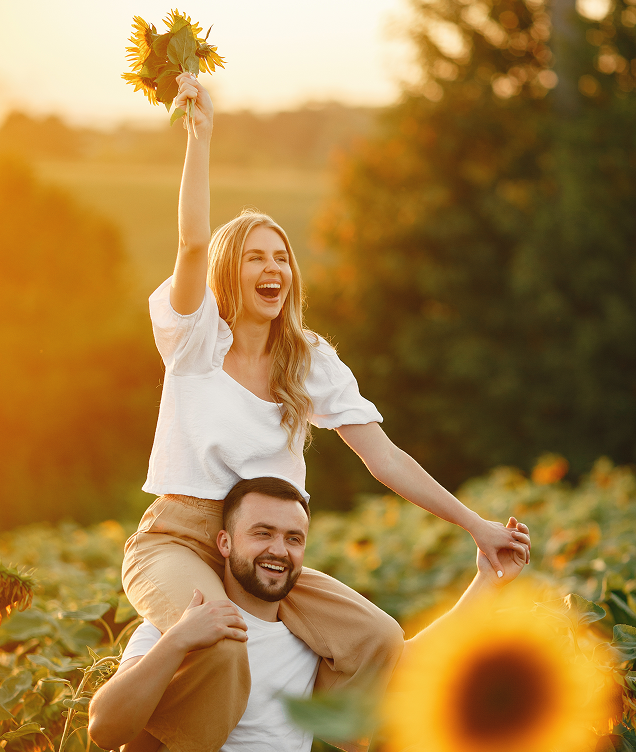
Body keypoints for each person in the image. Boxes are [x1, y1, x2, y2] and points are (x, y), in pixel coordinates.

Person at [121, 71, 529, 752]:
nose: (272, 266)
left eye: (281, 256)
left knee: (375, 638)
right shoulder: (194, 342)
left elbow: (384, 457)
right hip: (182, 539)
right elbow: (192, 241)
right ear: (230, 272)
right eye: (254, 256)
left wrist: (475, 525)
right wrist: (202, 134)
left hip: (265, 545)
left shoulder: (309, 361)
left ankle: (313, 736)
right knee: (221, 632)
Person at [93, 477, 531, 752]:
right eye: (261, 533)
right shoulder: (179, 627)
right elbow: (105, 729)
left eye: (293, 538)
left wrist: (486, 583)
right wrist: (178, 641)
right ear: (224, 544)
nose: (278, 550)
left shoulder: (311, 642)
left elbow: (411, 665)